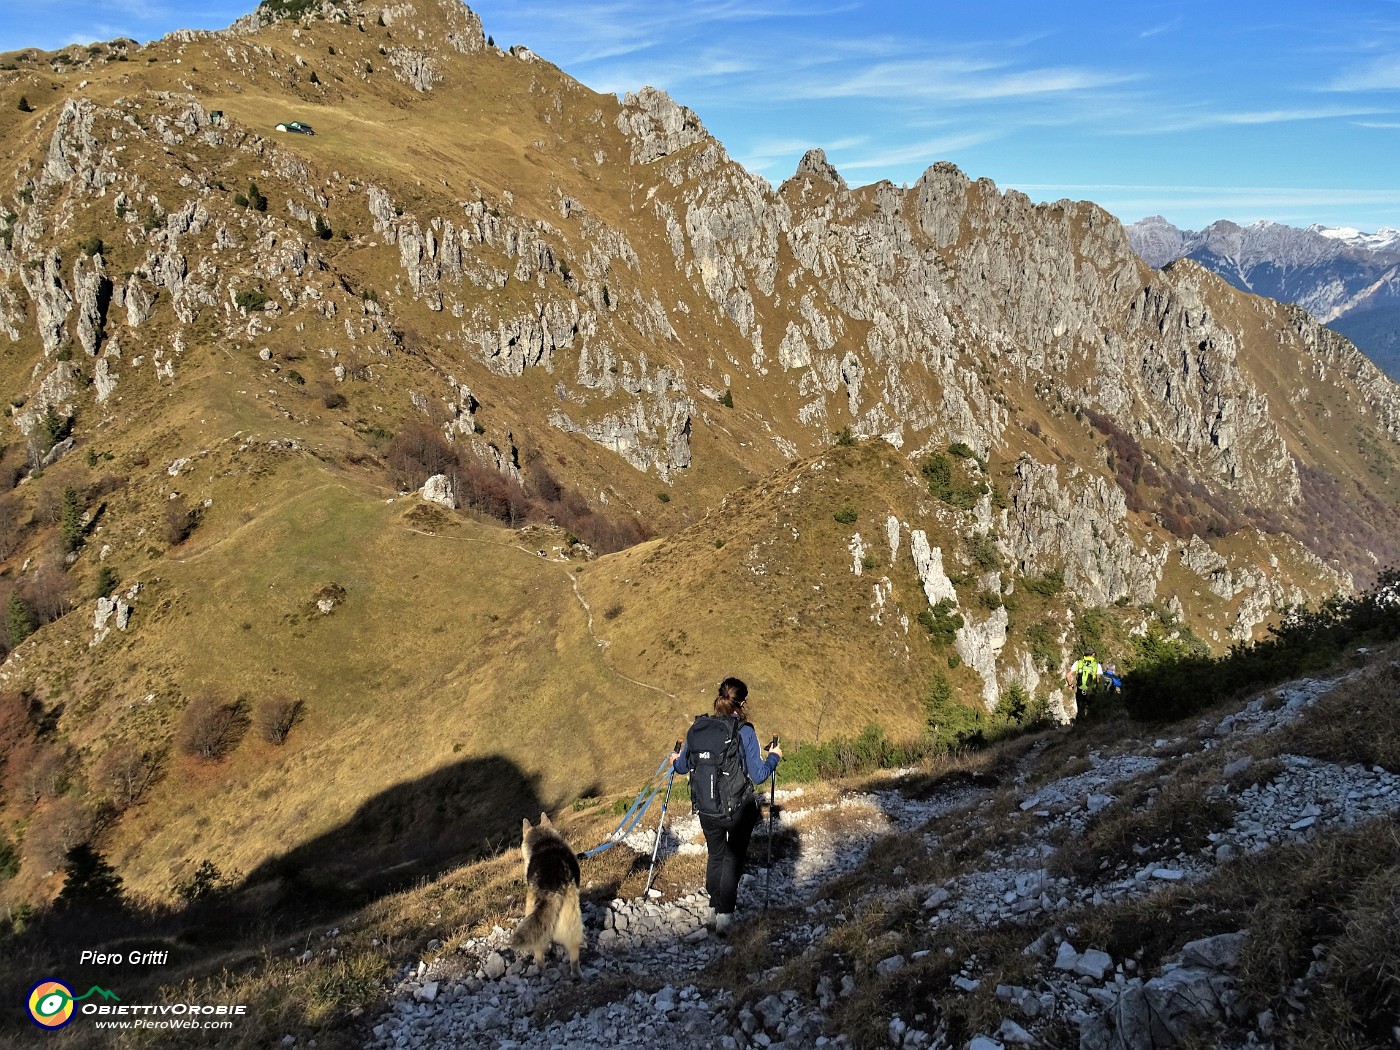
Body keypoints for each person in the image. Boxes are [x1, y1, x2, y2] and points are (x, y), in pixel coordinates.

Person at [670, 677, 781, 934]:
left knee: (716, 854)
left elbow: (682, 766)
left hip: (707, 809)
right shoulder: (745, 731)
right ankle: (724, 918)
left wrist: (674, 759)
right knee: (733, 857)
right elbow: (759, 774)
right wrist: (774, 757)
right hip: (739, 808)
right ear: (742, 703)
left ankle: (712, 909)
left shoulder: (699, 728)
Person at [1065, 649, 1103, 723]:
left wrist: (1070, 685)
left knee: (1080, 710)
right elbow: (1098, 679)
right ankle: (1090, 727)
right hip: (1091, 691)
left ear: (1084, 654)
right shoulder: (1097, 665)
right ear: (1093, 655)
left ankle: (1079, 728)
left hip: (1080, 690)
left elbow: (1068, 675)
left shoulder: (1078, 663)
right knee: (1092, 710)